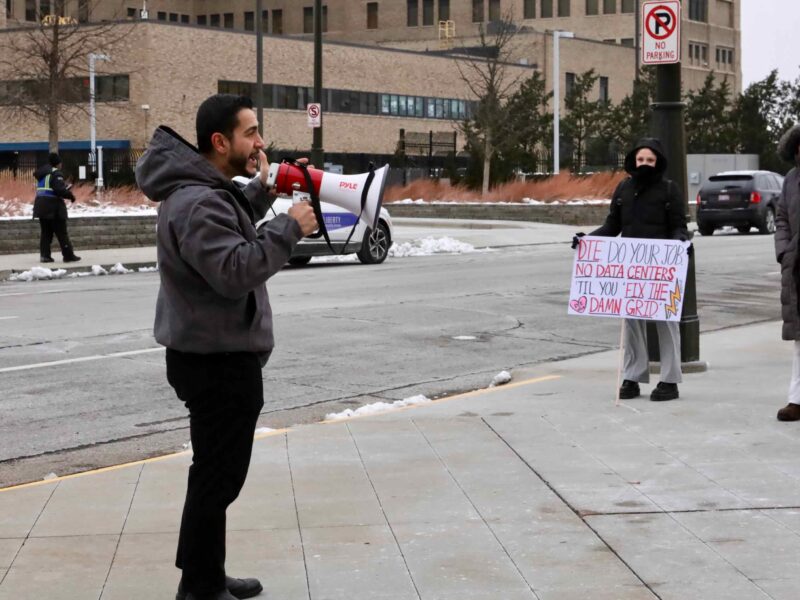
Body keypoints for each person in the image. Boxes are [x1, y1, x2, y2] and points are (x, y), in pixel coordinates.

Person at [135, 94, 317, 600]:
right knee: (219, 477)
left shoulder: (204, 191)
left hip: (213, 352)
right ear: (220, 142)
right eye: (251, 132)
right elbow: (234, 270)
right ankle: (198, 585)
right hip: (215, 361)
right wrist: (288, 227)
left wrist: (260, 193)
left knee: (215, 473)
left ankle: (206, 574)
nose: (260, 142)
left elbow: (227, 223)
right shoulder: (196, 200)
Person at [572, 138, 689, 401]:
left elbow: (678, 226)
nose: (645, 164)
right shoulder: (624, 189)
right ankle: (632, 376)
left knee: (666, 323)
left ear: (657, 162)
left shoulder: (670, 190)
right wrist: (587, 241)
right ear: (633, 161)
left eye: (650, 160)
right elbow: (612, 226)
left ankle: (669, 380)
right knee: (632, 324)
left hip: (660, 268)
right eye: (640, 160)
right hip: (632, 270)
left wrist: (681, 241)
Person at [774, 125, 800, 421]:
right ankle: (797, 399)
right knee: (799, 339)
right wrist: (784, 251)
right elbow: (782, 218)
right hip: (797, 267)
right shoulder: (791, 180)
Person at [33, 152, 80, 263]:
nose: (61, 164)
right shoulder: (56, 173)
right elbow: (59, 190)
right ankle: (68, 256)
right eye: (60, 162)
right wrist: (70, 195)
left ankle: (45, 256)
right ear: (58, 163)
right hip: (53, 207)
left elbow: (49, 188)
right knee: (61, 232)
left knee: (46, 233)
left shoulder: (43, 174)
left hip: (41, 206)